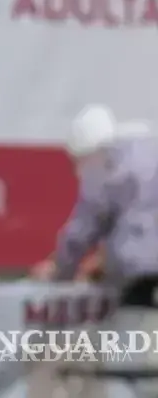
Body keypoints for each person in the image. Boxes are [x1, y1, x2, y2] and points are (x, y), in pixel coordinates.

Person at [35, 104, 158, 284]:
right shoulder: (145, 155)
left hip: (136, 275)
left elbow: (81, 232)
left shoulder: (103, 166)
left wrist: (58, 272)